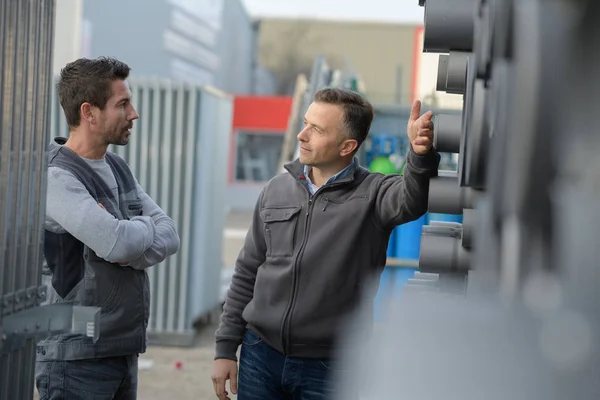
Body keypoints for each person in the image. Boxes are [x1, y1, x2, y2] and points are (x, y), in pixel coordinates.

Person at [211, 87, 440, 399]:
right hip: (259, 356)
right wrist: (225, 348)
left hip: (330, 367)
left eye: (316, 129)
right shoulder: (276, 189)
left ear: (347, 146)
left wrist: (419, 155)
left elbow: (412, 200)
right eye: (306, 123)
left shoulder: (373, 194)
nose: (302, 135)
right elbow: (248, 270)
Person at [35, 57, 180, 400]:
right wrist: (136, 232)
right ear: (89, 112)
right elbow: (118, 245)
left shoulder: (116, 166)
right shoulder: (57, 177)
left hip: (120, 348)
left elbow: (170, 233)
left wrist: (130, 234)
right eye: (123, 104)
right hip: (75, 360)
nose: (134, 114)